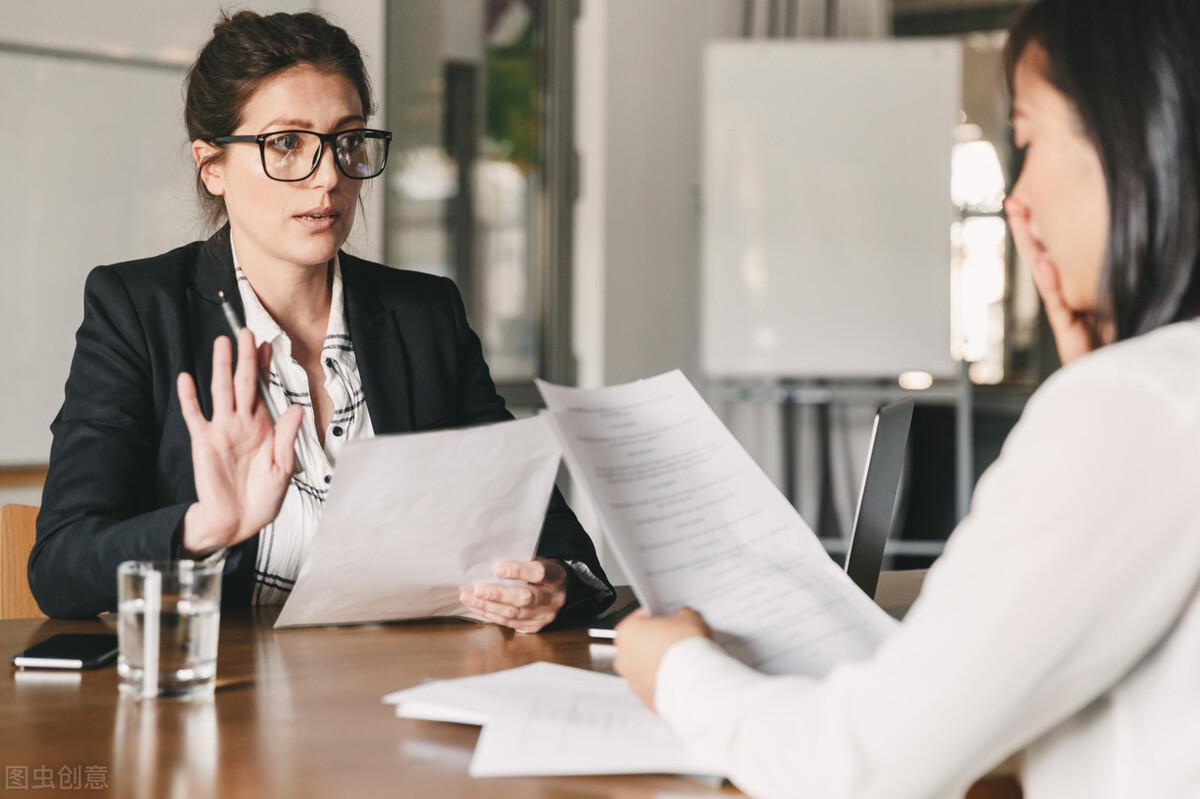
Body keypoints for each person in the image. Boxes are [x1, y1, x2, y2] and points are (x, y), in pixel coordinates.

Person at [614, 1, 1200, 796]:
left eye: (1026, 140)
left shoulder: (1136, 406)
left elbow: (858, 771)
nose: (1016, 199)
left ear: (1142, 142)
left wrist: (673, 665)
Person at [30, 10, 613, 630]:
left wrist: (551, 582)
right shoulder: (139, 309)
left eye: (347, 140)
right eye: (286, 143)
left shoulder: (424, 314)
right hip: (226, 697)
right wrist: (205, 527)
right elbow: (61, 566)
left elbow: (546, 530)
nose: (330, 176)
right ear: (213, 165)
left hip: (404, 684)